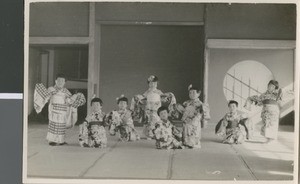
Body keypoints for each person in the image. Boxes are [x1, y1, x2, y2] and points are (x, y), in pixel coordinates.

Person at [34, 73, 86, 146]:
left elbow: (70, 100)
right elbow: (45, 96)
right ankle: (52, 140)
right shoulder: (51, 89)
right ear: (55, 81)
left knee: (61, 126)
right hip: (54, 110)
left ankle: (61, 140)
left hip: (63, 111)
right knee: (54, 125)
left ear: (64, 82)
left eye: (62, 81)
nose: (60, 82)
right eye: (59, 80)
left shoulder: (66, 91)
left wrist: (75, 96)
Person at [130, 75, 176, 140]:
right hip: (149, 109)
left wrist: (167, 97)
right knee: (149, 121)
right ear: (148, 84)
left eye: (154, 83)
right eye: (151, 83)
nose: (153, 84)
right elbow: (143, 98)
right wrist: (138, 98)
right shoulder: (147, 92)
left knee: (157, 121)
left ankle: (157, 134)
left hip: (157, 109)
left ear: (157, 84)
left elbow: (164, 98)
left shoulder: (159, 92)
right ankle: (149, 134)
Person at [180, 84, 210, 149]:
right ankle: (186, 143)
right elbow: (182, 112)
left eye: (194, 92)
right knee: (186, 133)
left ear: (198, 94)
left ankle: (194, 144)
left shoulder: (200, 104)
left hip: (194, 122)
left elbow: (203, 114)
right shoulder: (186, 103)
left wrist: (197, 116)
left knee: (194, 133)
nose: (191, 94)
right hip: (186, 121)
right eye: (190, 93)